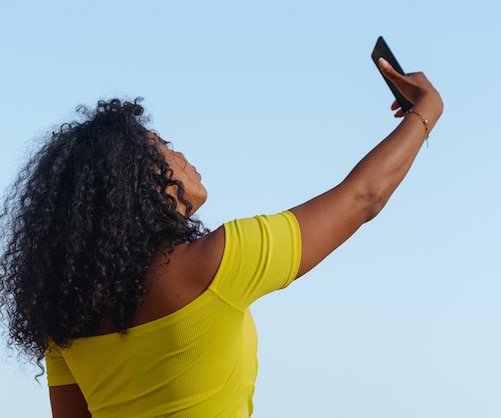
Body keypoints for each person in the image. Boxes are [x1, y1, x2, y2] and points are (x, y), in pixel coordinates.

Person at [0, 59, 443, 417]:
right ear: (140, 180)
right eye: (163, 147)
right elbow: (362, 198)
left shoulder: (66, 324)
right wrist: (427, 110)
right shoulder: (218, 264)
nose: (181, 154)